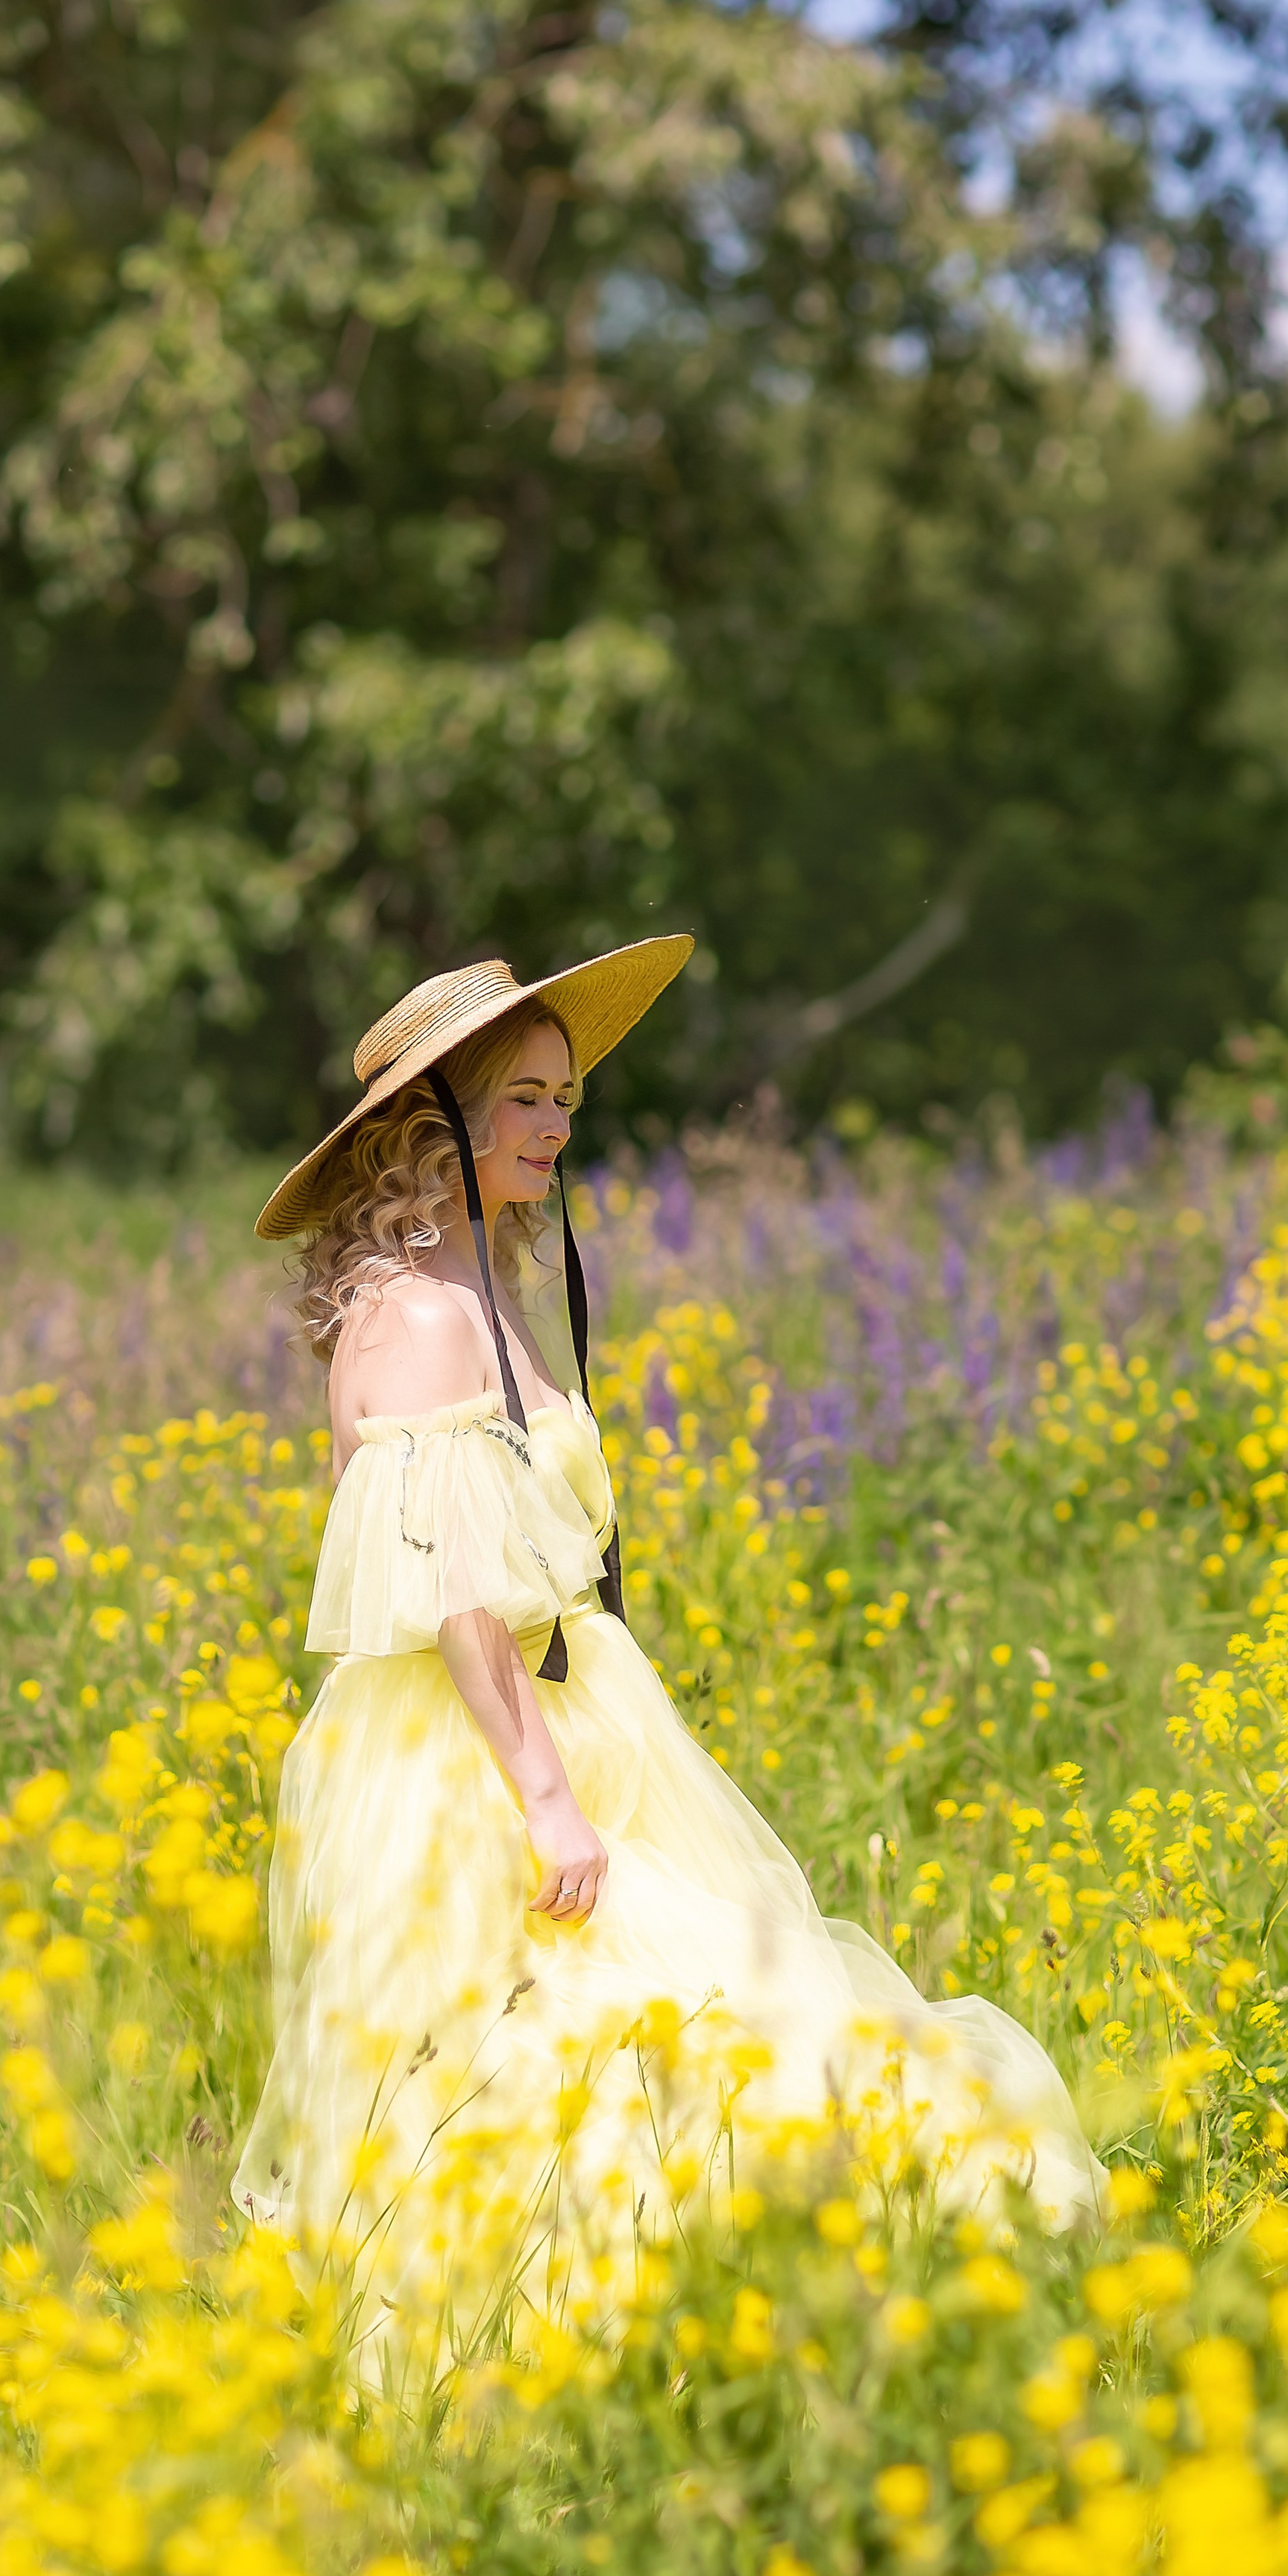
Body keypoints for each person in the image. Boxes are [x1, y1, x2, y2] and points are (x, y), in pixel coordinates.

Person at [233, 941, 1102, 2359]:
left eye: (565, 1097)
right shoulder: (417, 1316)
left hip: (568, 1716)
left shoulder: (481, 1295)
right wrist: (547, 1798)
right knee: (582, 2038)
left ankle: (697, 2344)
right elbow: (456, 1593)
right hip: (482, 1755)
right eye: (521, 1099)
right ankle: (563, 2348)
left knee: (667, 2029)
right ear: (434, 1121)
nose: (557, 1125)